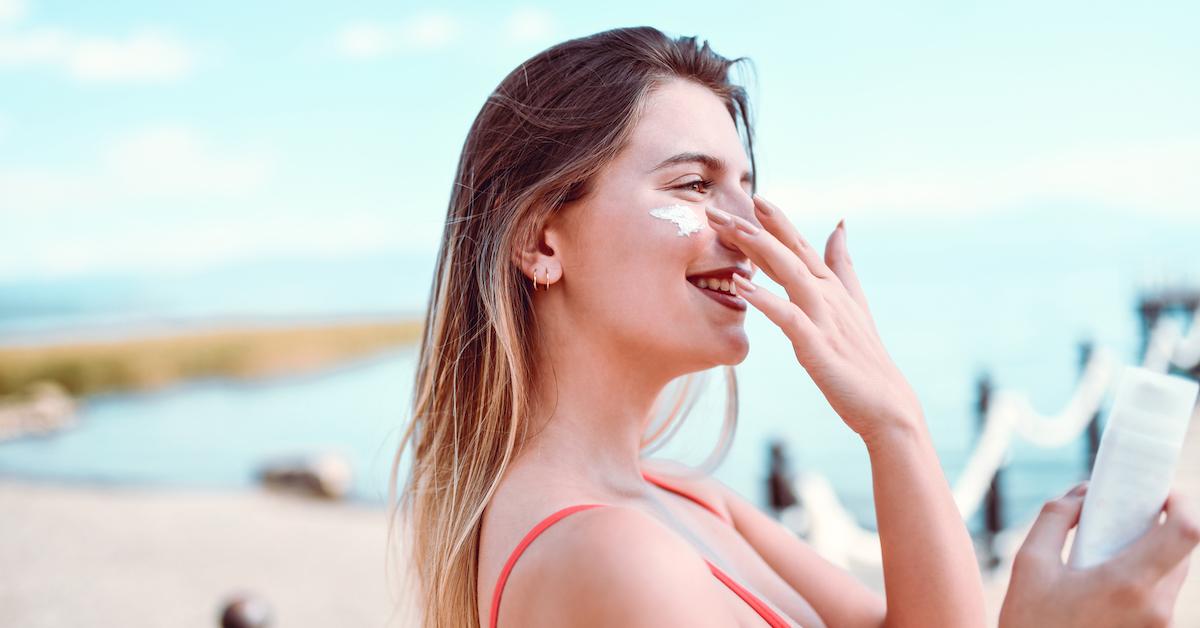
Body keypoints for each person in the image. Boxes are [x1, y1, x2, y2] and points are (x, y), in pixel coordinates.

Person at [389, 26, 1199, 628]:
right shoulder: (610, 554)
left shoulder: (682, 497)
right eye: (694, 184)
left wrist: (893, 422)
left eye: (747, 185)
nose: (751, 227)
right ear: (539, 240)